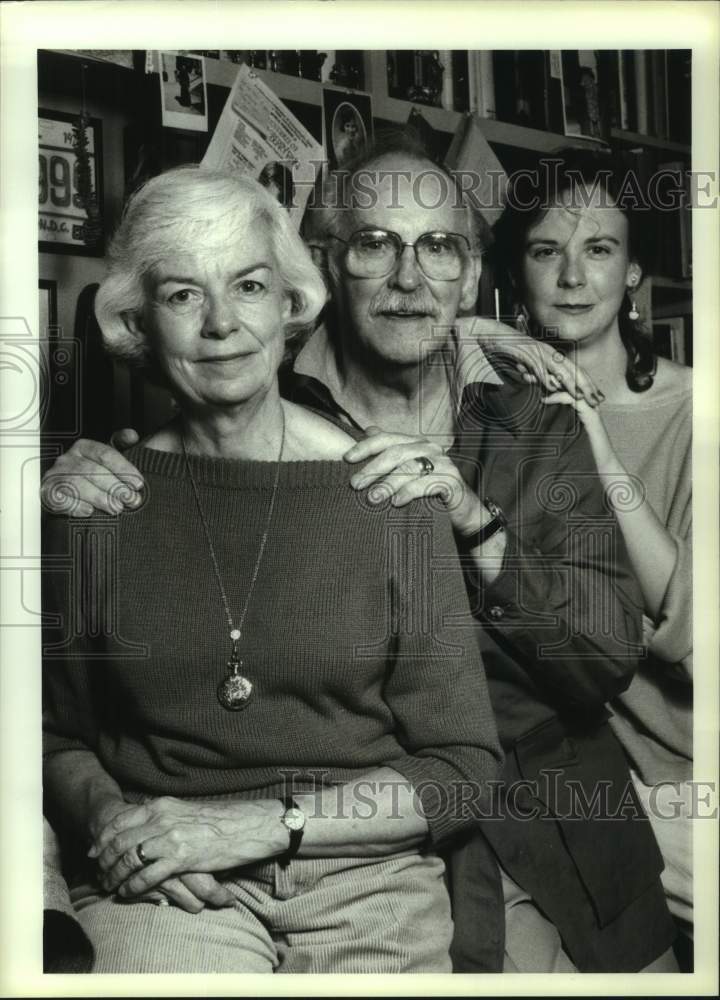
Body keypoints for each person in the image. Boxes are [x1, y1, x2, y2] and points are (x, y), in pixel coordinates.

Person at [42, 135, 678, 973]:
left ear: (472, 268)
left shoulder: (537, 432)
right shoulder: (265, 407)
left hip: (534, 817)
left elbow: (600, 659)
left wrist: (471, 518)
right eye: (376, 244)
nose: (410, 278)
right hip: (345, 834)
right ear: (329, 264)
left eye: (439, 248)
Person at [42, 165, 503, 974]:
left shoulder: (391, 496)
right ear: (138, 324)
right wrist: (119, 827)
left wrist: (266, 826)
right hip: (173, 875)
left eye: (249, 286)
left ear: (290, 304)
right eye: (183, 295)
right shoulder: (97, 503)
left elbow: (463, 768)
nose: (222, 323)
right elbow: (58, 738)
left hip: (367, 876)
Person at [492, 147, 693, 939]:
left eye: (599, 250)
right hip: (548, 772)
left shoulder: (693, 413)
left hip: (679, 779)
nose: (572, 277)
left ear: (635, 271)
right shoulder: (485, 408)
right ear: (518, 271)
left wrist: (600, 450)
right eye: (547, 251)